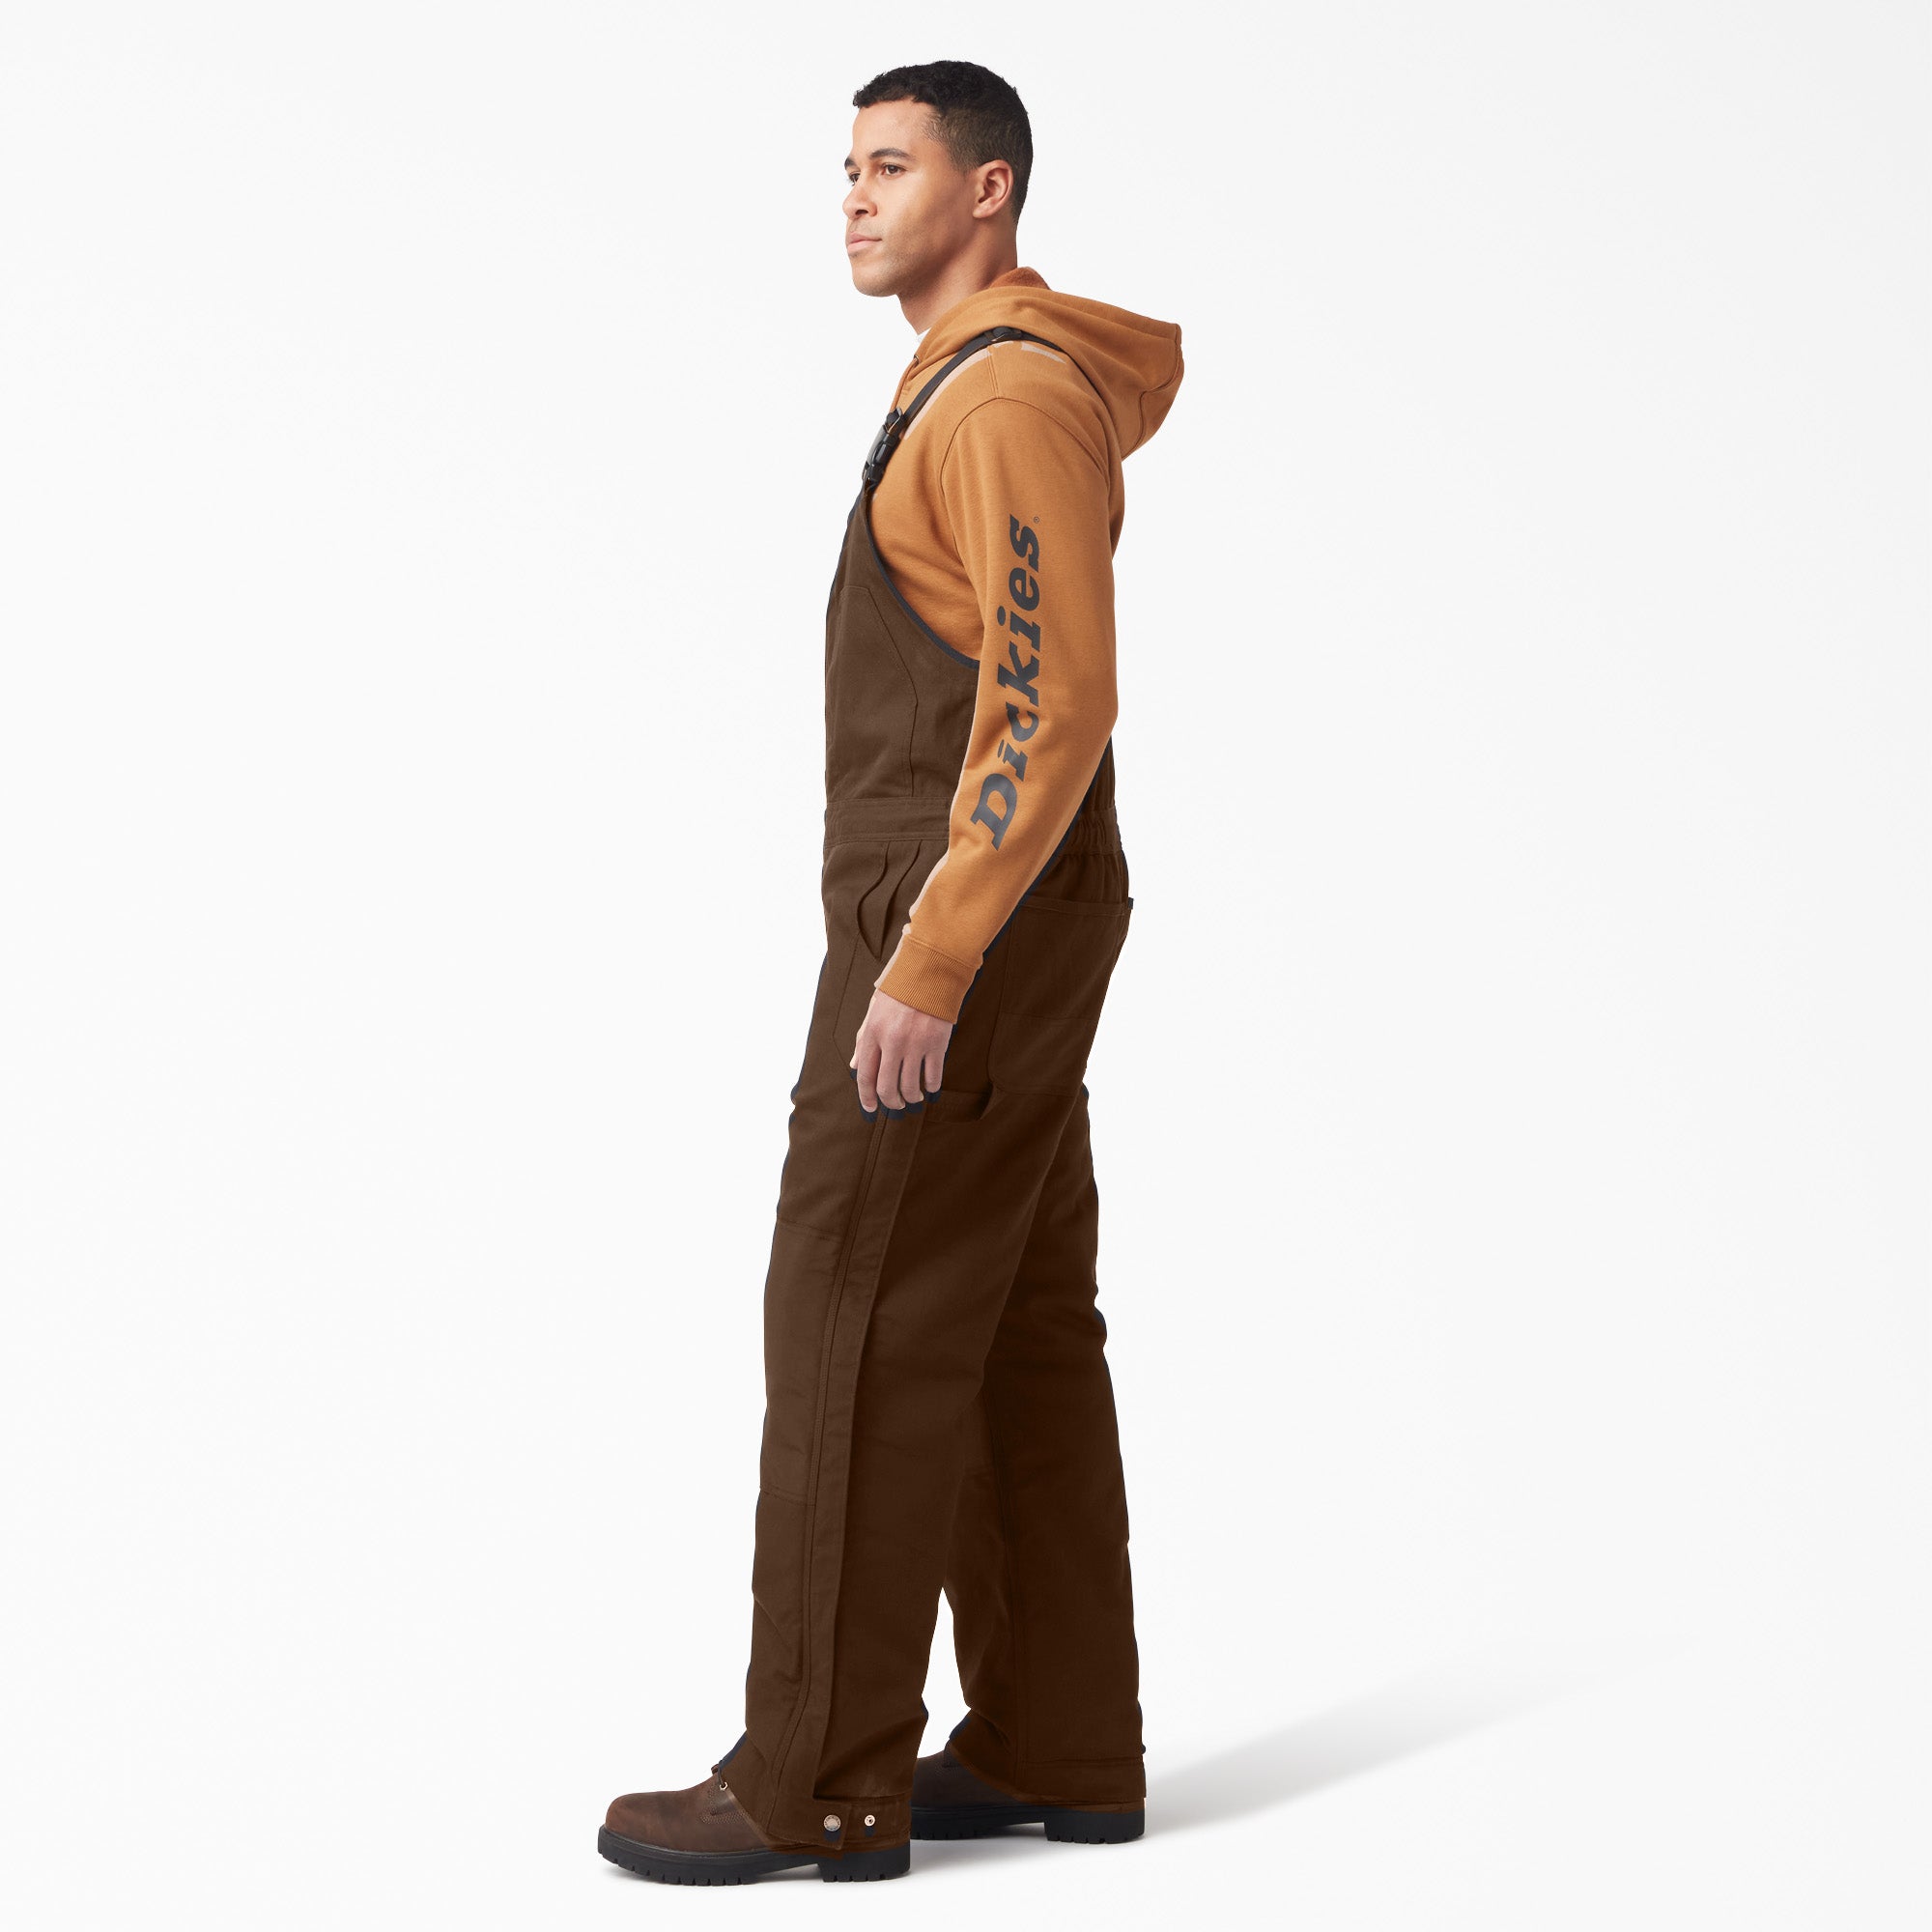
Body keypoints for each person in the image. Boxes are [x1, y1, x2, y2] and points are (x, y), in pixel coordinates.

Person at [598, 58, 1183, 1887]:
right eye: (845, 167)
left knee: (851, 1310)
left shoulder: (1001, 395)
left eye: (893, 164)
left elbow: (1053, 697)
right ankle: (1059, 1738)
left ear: (989, 190)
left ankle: (814, 1777)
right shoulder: (965, 383)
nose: (854, 197)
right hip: (1001, 908)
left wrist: (928, 960)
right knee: (1006, 1316)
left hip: (961, 916)